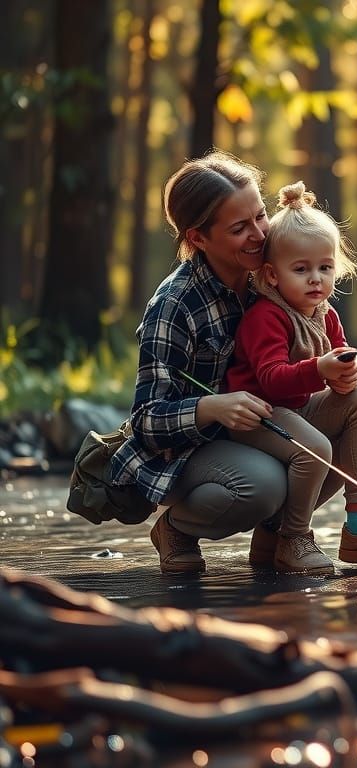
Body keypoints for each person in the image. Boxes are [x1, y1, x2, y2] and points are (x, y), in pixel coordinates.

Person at [224, 181, 357, 573]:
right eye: (301, 270)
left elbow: (342, 357)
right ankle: (292, 536)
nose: (316, 279)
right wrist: (320, 370)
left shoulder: (325, 313)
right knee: (315, 448)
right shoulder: (267, 316)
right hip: (258, 414)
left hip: (296, 409)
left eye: (325, 267)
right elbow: (270, 379)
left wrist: (351, 373)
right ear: (272, 275)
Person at [111, 150, 287, 575]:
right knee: (263, 485)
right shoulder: (174, 305)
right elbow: (146, 421)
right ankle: (176, 528)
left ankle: (281, 539)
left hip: (257, 430)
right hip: (188, 451)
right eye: (239, 228)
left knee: (352, 410)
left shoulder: (271, 276)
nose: (259, 234)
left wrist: (345, 369)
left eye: (261, 216)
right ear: (198, 238)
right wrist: (212, 407)